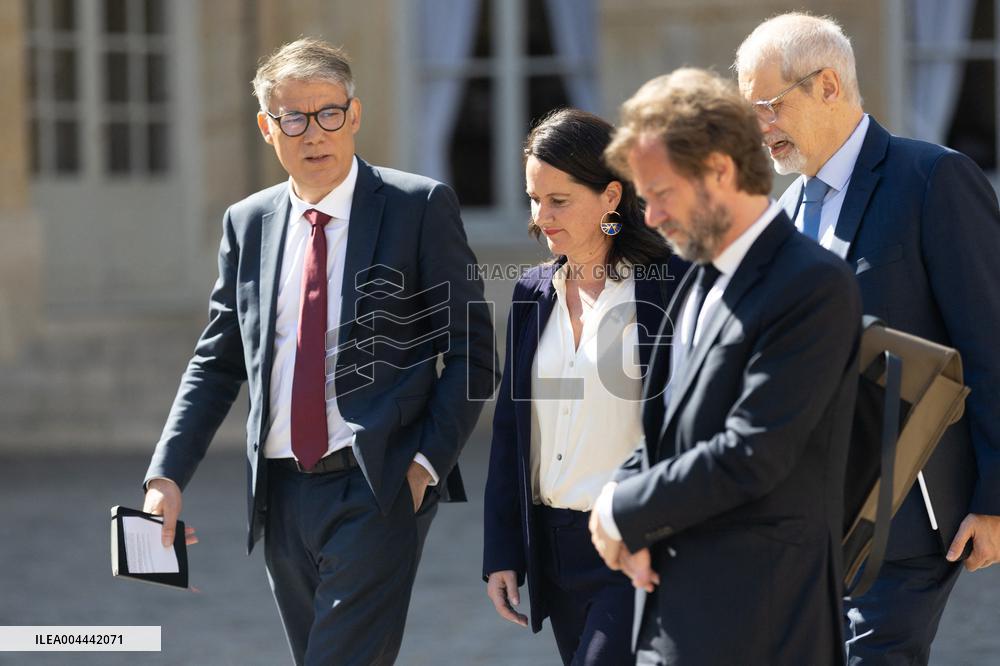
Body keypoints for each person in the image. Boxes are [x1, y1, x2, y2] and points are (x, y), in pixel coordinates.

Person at [141, 38, 498, 665]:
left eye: (330, 113)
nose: (315, 132)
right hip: (279, 498)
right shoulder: (247, 222)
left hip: (378, 487)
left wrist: (425, 466)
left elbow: (473, 351)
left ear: (354, 116)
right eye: (295, 118)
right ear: (266, 128)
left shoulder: (418, 207)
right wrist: (166, 474)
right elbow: (219, 360)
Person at [735, 13, 1000, 663]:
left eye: (766, 107)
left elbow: (992, 343)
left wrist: (996, 501)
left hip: (911, 520)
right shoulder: (788, 212)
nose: (757, 130)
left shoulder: (932, 179)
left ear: (827, 85)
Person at [589, 68, 862, 665]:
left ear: (719, 169)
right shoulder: (699, 278)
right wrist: (617, 491)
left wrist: (621, 511)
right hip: (674, 615)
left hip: (757, 626)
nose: (652, 218)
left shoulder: (812, 285)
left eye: (661, 194)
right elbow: (664, 428)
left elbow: (751, 453)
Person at [482, 108, 687, 665]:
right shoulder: (530, 293)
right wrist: (504, 551)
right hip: (554, 550)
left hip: (635, 544)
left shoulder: (668, 289)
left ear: (612, 197)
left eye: (559, 200)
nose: (540, 217)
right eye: (533, 198)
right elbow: (510, 430)